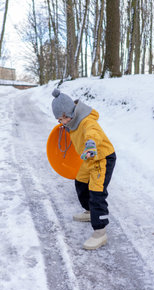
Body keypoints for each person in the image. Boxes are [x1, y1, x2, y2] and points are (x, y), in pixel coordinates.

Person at [51, 88, 116, 250]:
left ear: (67, 115)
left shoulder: (87, 121)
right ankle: (89, 212)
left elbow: (92, 133)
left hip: (101, 158)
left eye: (61, 119)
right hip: (89, 158)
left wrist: (90, 144)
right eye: (59, 120)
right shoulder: (72, 123)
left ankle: (100, 232)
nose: (61, 123)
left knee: (97, 192)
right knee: (80, 182)